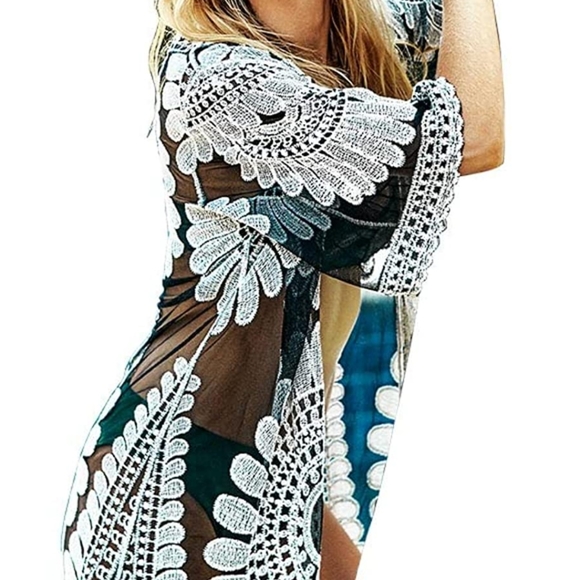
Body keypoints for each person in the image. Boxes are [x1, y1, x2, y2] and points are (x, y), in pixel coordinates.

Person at [60, 1, 504, 579]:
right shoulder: (217, 81)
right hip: (178, 490)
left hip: (276, 482)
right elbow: (471, 138)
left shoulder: (361, 32)